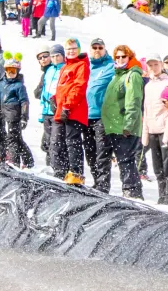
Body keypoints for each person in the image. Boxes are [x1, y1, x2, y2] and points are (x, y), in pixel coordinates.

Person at [101, 46, 145, 198]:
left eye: (123, 57)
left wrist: (129, 124)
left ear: (129, 57)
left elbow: (134, 100)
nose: (120, 59)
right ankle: (129, 188)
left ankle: (132, 190)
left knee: (126, 159)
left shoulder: (132, 75)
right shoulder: (118, 75)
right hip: (114, 125)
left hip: (125, 126)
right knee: (122, 159)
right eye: (117, 57)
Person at [141, 55, 168, 205]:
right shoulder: (148, 85)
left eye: (156, 64)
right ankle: (161, 194)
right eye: (150, 65)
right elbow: (146, 109)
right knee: (157, 166)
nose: (153, 68)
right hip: (152, 128)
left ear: (161, 65)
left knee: (166, 164)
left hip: (164, 128)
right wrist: (145, 131)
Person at [53, 38, 91, 185]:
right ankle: (62, 172)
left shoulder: (81, 65)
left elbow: (79, 87)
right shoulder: (65, 67)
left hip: (74, 110)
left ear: (79, 49)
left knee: (72, 142)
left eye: (74, 48)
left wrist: (68, 105)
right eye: (68, 49)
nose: (71, 51)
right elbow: (63, 87)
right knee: (59, 142)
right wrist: (55, 98)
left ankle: (76, 174)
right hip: (62, 109)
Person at [0, 52, 32, 168]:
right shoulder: (1, 85)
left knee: (12, 138)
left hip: (14, 115)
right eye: (8, 70)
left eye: (13, 71)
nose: (10, 73)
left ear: (17, 71)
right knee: (16, 138)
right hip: (3, 114)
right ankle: (28, 160)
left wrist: (24, 117)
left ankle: (14, 161)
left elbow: (24, 102)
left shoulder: (19, 86)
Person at [85, 38, 115, 192]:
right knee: (89, 151)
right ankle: (96, 180)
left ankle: (103, 185)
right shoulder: (87, 65)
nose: (97, 50)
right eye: (94, 47)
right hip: (87, 115)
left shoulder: (110, 65)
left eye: (100, 47)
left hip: (103, 115)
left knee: (102, 151)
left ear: (104, 49)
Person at [38, 45, 65, 175]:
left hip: (57, 111)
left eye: (57, 56)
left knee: (56, 143)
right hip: (47, 111)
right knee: (48, 143)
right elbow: (43, 91)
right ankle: (50, 168)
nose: (55, 59)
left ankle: (58, 170)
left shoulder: (64, 69)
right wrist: (42, 112)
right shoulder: (49, 71)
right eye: (53, 56)